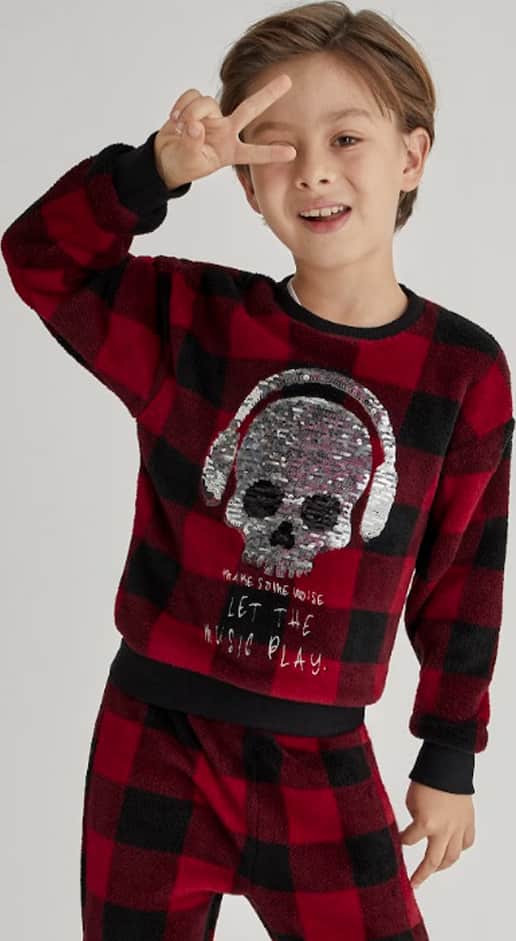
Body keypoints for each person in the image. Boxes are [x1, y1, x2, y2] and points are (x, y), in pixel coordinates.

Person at [2, 2, 513, 938]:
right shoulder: (191, 321)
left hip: (321, 765)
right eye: (278, 146)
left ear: (411, 156)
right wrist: (152, 171)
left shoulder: (462, 373)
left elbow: (466, 579)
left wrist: (449, 752)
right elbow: (40, 259)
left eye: (346, 137)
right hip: (154, 739)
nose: (313, 169)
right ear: (245, 182)